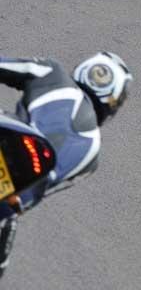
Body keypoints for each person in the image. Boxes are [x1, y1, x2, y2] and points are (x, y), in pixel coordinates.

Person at [0, 52, 132, 275]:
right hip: (19, 190)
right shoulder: (93, 155)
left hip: (11, 140)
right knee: (11, 216)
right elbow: (46, 189)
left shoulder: (53, 73)